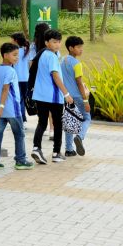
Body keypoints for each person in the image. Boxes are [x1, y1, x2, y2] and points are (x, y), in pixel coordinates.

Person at [0, 43, 34, 170]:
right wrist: (1, 106)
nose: (17, 58)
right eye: (14, 55)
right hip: (12, 110)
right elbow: (6, 88)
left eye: (17, 55)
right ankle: (21, 160)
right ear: (5, 55)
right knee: (19, 135)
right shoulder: (11, 71)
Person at [30, 29, 75, 165]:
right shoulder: (52, 56)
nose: (57, 45)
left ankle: (36, 148)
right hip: (54, 97)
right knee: (58, 124)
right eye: (54, 42)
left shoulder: (42, 54)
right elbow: (55, 75)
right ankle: (56, 153)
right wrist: (66, 94)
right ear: (46, 42)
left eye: (59, 42)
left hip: (40, 95)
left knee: (42, 123)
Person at [61, 36, 91, 157]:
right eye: (78, 47)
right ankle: (80, 136)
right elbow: (79, 83)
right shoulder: (77, 64)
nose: (81, 50)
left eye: (81, 47)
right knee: (87, 118)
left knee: (69, 120)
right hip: (78, 96)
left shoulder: (62, 60)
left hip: (66, 96)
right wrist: (85, 100)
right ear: (70, 48)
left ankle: (69, 149)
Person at [11, 32, 32, 123]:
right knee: (26, 99)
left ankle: (22, 118)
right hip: (27, 78)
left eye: (11, 39)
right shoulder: (27, 50)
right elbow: (30, 65)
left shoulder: (14, 52)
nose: (10, 41)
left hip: (17, 79)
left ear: (15, 40)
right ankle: (24, 118)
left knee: (19, 100)